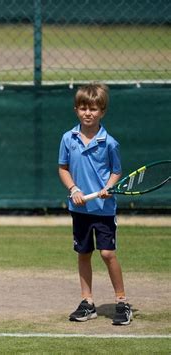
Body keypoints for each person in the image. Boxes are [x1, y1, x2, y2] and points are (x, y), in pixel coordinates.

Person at [58, 83, 132, 326]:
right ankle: (87, 302)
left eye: (93, 108)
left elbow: (116, 171)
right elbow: (63, 169)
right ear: (76, 110)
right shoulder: (68, 138)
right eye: (82, 108)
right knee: (83, 254)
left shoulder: (110, 142)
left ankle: (122, 302)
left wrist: (108, 188)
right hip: (79, 209)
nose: (87, 113)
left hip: (103, 210)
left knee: (108, 253)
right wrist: (74, 189)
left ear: (102, 111)